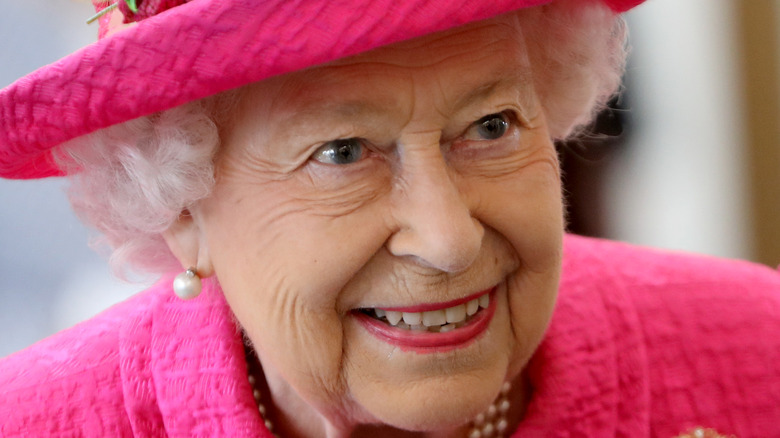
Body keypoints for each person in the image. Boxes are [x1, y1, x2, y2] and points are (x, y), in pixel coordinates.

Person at [0, 0, 778, 437]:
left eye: (493, 126)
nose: (447, 239)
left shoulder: (759, 360)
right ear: (178, 204)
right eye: (342, 152)